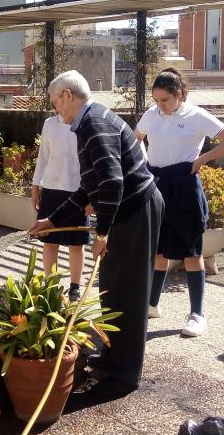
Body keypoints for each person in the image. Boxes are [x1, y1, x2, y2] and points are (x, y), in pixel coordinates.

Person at [30, 70, 163, 403]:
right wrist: (52, 220)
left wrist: (102, 232)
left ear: (68, 96)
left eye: (55, 102)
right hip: (127, 211)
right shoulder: (87, 122)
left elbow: (113, 183)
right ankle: (112, 357)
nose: (55, 110)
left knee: (129, 293)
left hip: (136, 210)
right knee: (111, 289)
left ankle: (124, 376)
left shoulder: (93, 123)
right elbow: (89, 187)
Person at [136, 68, 224, 337]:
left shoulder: (196, 116)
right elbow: (136, 138)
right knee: (158, 251)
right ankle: (151, 304)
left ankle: (197, 315)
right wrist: (145, 161)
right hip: (157, 184)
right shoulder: (151, 115)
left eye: (165, 100)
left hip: (184, 185)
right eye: (156, 100)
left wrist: (201, 160)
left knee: (192, 252)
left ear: (180, 94)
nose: (160, 105)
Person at [31, 110, 88, 301]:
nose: (58, 105)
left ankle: (75, 288)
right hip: (51, 190)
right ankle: (51, 288)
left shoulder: (84, 123)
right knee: (49, 241)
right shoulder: (49, 123)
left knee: (76, 243)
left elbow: (91, 163)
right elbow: (43, 158)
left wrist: (90, 196)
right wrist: (35, 186)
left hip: (78, 191)